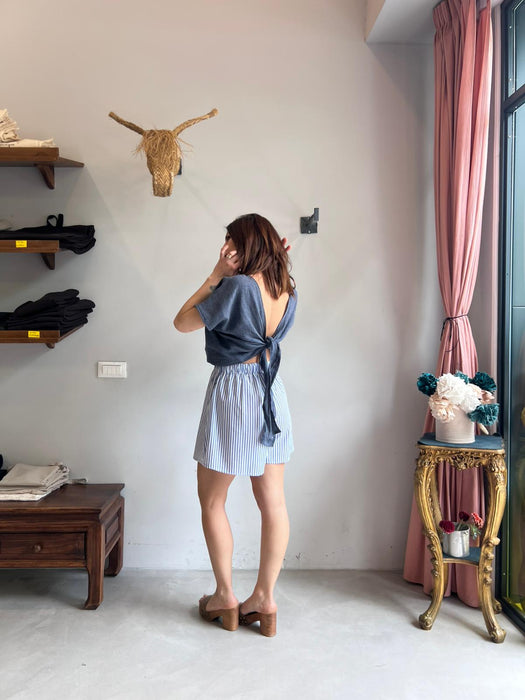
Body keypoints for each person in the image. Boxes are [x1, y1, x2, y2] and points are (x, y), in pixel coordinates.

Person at [173, 213, 297, 637]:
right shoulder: (286, 288)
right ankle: (264, 598)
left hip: (234, 391)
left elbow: (182, 321)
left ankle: (225, 597)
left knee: (212, 499)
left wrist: (215, 275)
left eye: (232, 242)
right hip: (270, 389)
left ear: (248, 246)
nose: (226, 249)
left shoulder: (236, 286)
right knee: (273, 503)